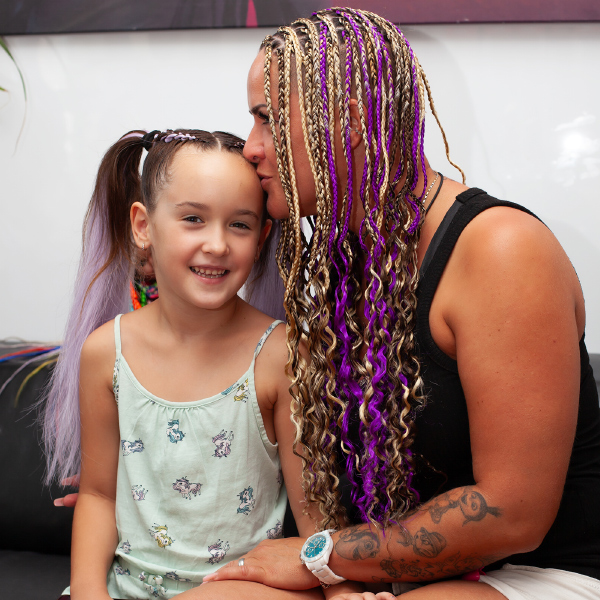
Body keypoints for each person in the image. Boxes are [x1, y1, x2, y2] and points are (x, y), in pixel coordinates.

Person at [187, 8, 600, 600]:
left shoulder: (501, 249)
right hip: (382, 568)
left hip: (530, 573)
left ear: (350, 120)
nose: (251, 147)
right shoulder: (346, 256)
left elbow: (513, 514)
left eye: (267, 119)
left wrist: (320, 557)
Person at [44, 128, 363, 599]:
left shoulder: (280, 354)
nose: (217, 244)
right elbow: (97, 494)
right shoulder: (105, 352)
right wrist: (90, 593)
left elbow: (314, 510)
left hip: (239, 590)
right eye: (193, 219)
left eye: (240, 225)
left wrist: (343, 593)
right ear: (143, 226)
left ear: (262, 237)